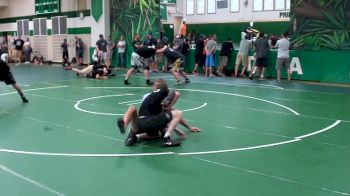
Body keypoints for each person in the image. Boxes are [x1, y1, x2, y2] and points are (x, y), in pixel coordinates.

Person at [117, 79, 200, 147]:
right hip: (150, 123)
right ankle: (166, 139)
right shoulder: (163, 93)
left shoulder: (149, 96)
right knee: (172, 118)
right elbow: (177, 94)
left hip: (137, 124)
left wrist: (186, 128)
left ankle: (127, 128)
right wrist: (185, 128)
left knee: (132, 108)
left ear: (155, 87)